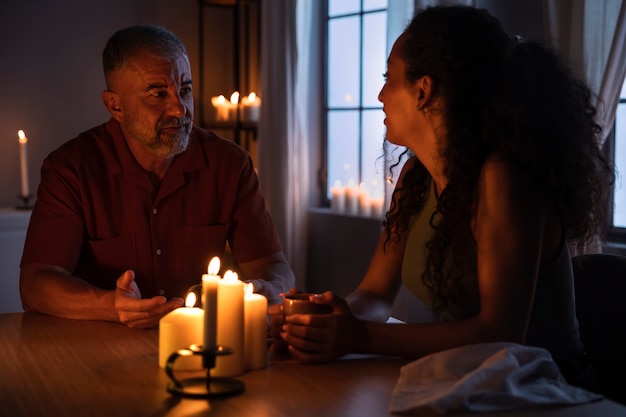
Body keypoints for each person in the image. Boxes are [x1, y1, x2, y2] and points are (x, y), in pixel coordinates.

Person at [270, 5, 614, 389]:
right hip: (472, 383)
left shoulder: (505, 177)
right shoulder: (416, 177)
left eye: (389, 78)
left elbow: (499, 334)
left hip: (547, 391)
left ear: (424, 90)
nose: (381, 94)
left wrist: (359, 337)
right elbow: (374, 295)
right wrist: (320, 320)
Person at [20, 24, 294, 329]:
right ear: (116, 105)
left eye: (185, 90)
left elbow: (272, 266)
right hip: (100, 347)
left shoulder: (229, 164)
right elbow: (35, 286)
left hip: (203, 343)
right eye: (158, 94)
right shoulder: (70, 168)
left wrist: (268, 288)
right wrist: (111, 305)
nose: (180, 109)